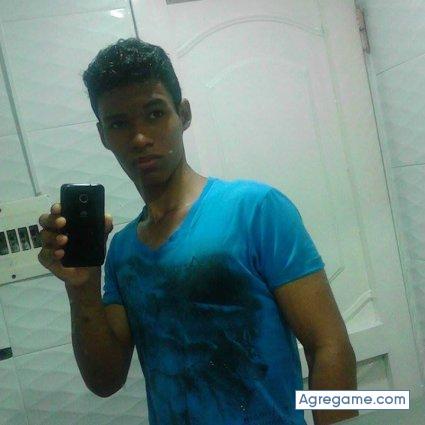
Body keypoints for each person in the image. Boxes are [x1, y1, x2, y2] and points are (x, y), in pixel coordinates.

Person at [38, 37, 358, 425]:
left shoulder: (255, 209)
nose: (139, 138)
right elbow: (105, 382)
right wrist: (82, 286)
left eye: (154, 113)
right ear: (104, 135)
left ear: (183, 114)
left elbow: (329, 345)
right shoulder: (121, 251)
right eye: (119, 123)